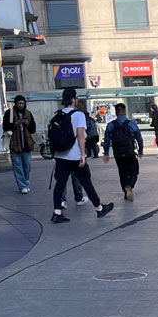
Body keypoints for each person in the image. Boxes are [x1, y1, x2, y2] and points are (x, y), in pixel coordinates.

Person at [49, 88, 114, 224]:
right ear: (73, 99)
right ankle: (99, 208)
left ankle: (57, 212)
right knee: (86, 182)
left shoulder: (58, 115)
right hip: (74, 156)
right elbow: (80, 136)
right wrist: (83, 155)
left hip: (60, 156)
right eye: (76, 97)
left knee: (60, 184)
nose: (77, 100)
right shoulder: (78, 115)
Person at [102, 103, 144, 202]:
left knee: (122, 173)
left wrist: (106, 153)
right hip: (130, 152)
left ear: (116, 112)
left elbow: (106, 140)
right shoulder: (132, 124)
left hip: (118, 153)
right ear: (125, 111)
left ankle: (126, 192)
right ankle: (130, 186)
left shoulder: (111, 125)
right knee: (134, 172)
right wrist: (140, 150)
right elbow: (139, 138)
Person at [3, 95, 36, 194]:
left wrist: (27, 123)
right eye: (19, 103)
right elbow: (5, 126)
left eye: (22, 103)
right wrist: (16, 123)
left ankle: (26, 182)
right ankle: (22, 186)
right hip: (14, 144)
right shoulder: (9, 113)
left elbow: (33, 129)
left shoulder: (28, 113)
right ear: (15, 103)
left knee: (27, 165)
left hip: (26, 145)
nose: (21, 105)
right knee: (17, 166)